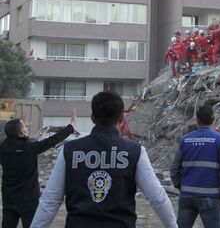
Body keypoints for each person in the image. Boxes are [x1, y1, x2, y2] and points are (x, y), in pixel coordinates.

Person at [32, 91, 177, 227]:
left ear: (93, 117)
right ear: (121, 118)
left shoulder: (69, 150)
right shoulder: (135, 151)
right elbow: (157, 197)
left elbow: (50, 201)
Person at [0, 111, 76, 228]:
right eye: (24, 127)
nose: (26, 128)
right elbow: (53, 140)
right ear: (20, 132)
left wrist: (19, 129)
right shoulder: (30, 148)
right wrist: (71, 126)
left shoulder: (3, 148)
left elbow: (14, 141)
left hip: (9, 197)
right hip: (29, 199)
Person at [171, 105, 220, 228]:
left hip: (187, 195)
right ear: (213, 118)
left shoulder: (185, 140)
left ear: (197, 120)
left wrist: (181, 186)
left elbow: (174, 169)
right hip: (211, 196)